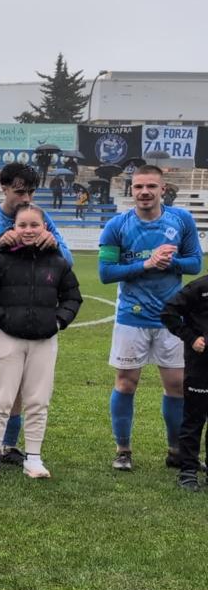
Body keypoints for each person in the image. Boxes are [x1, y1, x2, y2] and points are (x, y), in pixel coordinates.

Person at [0, 163, 72, 468]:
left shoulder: (40, 219)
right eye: (20, 191)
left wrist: (55, 243)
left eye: (31, 191)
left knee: (18, 382)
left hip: (22, 315)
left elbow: (67, 262)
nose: (26, 197)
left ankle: (8, 446)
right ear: (3, 188)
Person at [99, 164, 202, 471]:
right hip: (132, 316)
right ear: (131, 190)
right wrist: (146, 265)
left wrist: (168, 262)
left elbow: (195, 263)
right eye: (138, 187)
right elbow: (105, 273)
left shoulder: (181, 219)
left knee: (176, 384)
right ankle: (123, 450)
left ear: (162, 189)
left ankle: (176, 451)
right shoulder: (116, 226)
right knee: (126, 383)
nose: (144, 192)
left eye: (151, 187)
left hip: (172, 319)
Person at [0, 204, 82, 479]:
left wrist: (58, 322)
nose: (29, 230)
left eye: (35, 225)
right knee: (2, 400)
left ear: (45, 228)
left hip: (44, 340)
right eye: (23, 225)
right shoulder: (0, 259)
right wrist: (4, 320)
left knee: (38, 400)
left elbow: (72, 296)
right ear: (14, 228)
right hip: (8, 338)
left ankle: (33, 458)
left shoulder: (57, 260)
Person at [159, 273, 208, 491]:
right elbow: (169, 312)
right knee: (194, 418)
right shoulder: (199, 288)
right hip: (200, 365)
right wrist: (191, 338)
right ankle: (188, 471)